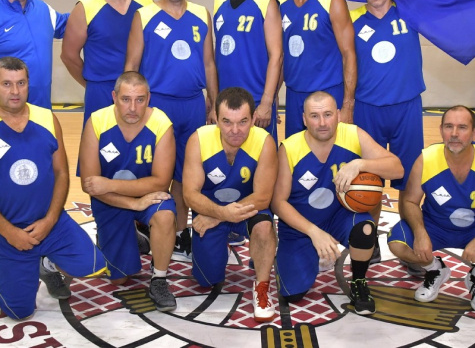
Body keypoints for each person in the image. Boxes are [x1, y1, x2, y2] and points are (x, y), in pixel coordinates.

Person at [271, 91, 403, 315]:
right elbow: (278, 203)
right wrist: (314, 232)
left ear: (339, 115)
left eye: (328, 114)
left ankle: (359, 281)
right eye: (314, 116)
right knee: (292, 294)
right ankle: (311, 253)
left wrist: (360, 164)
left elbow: (397, 168)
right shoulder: (290, 148)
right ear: (304, 119)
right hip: (302, 225)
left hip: (339, 216)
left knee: (365, 228)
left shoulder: (352, 135)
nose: (322, 123)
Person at [125, 0, 218, 262]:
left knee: (185, 173)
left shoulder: (201, 14)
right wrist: (131, 106)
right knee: (154, 171)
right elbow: (132, 65)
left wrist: (214, 102)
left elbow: (209, 63)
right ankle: (144, 226)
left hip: (192, 104)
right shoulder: (145, 15)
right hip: (157, 105)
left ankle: (178, 233)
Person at [0, 57, 107, 320]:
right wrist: (10, 232)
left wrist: (50, 220)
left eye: (21, 83)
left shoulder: (47, 118)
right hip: (7, 231)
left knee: (93, 265)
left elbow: (61, 173)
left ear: (29, 84)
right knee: (19, 312)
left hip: (50, 223)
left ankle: (46, 263)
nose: (15, 91)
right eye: (6, 84)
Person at [350, 0, 426, 269]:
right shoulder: (352, 20)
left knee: (410, 181)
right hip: (367, 109)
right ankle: (369, 244)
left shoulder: (411, 11)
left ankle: (408, 240)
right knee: (369, 181)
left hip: (406, 107)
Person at [79, 71, 177, 311]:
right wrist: (133, 203)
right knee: (119, 279)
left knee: (165, 215)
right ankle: (134, 236)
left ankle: (159, 280)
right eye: (125, 99)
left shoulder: (161, 123)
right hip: (110, 201)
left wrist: (110, 184)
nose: (133, 107)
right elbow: (90, 185)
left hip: (146, 196)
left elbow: (161, 182)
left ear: (148, 98)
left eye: (140, 99)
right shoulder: (97, 122)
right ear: (114, 97)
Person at [182, 87, 278, 323]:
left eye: (243, 122)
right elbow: (189, 194)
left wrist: (219, 216)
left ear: (253, 119)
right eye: (227, 122)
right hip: (211, 209)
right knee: (206, 280)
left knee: (264, 227)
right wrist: (220, 212)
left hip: (247, 210)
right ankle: (217, 248)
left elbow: (263, 197)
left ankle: (262, 288)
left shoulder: (265, 142)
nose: (235, 130)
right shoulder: (198, 140)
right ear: (216, 118)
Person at [388, 106, 475, 309]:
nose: (454, 133)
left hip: (472, 230)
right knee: (397, 243)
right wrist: (420, 233)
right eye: (449, 126)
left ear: (473, 133)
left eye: (462, 127)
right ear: (441, 130)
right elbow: (410, 201)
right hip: (435, 226)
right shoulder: (426, 158)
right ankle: (435, 269)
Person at [61, 0, 153, 127]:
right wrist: (92, 84)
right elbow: (68, 56)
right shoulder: (85, 7)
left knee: (139, 143)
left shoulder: (146, 3)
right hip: (100, 91)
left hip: (137, 92)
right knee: (96, 143)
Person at [279, 0, 357, 138]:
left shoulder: (332, 0)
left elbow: (349, 54)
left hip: (328, 94)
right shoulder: (281, 4)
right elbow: (279, 57)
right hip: (295, 95)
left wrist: (348, 104)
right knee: (296, 153)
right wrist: (271, 98)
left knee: (331, 154)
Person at [213, 0, 282, 142]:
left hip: (256, 102)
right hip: (225, 103)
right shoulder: (219, 2)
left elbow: (277, 56)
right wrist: (214, 98)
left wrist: (267, 101)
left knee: (262, 157)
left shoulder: (266, 1)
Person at [0, 0, 69, 108]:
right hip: (7, 114)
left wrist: (97, 9)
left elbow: (73, 25)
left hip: (42, 111)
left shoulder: (42, 9)